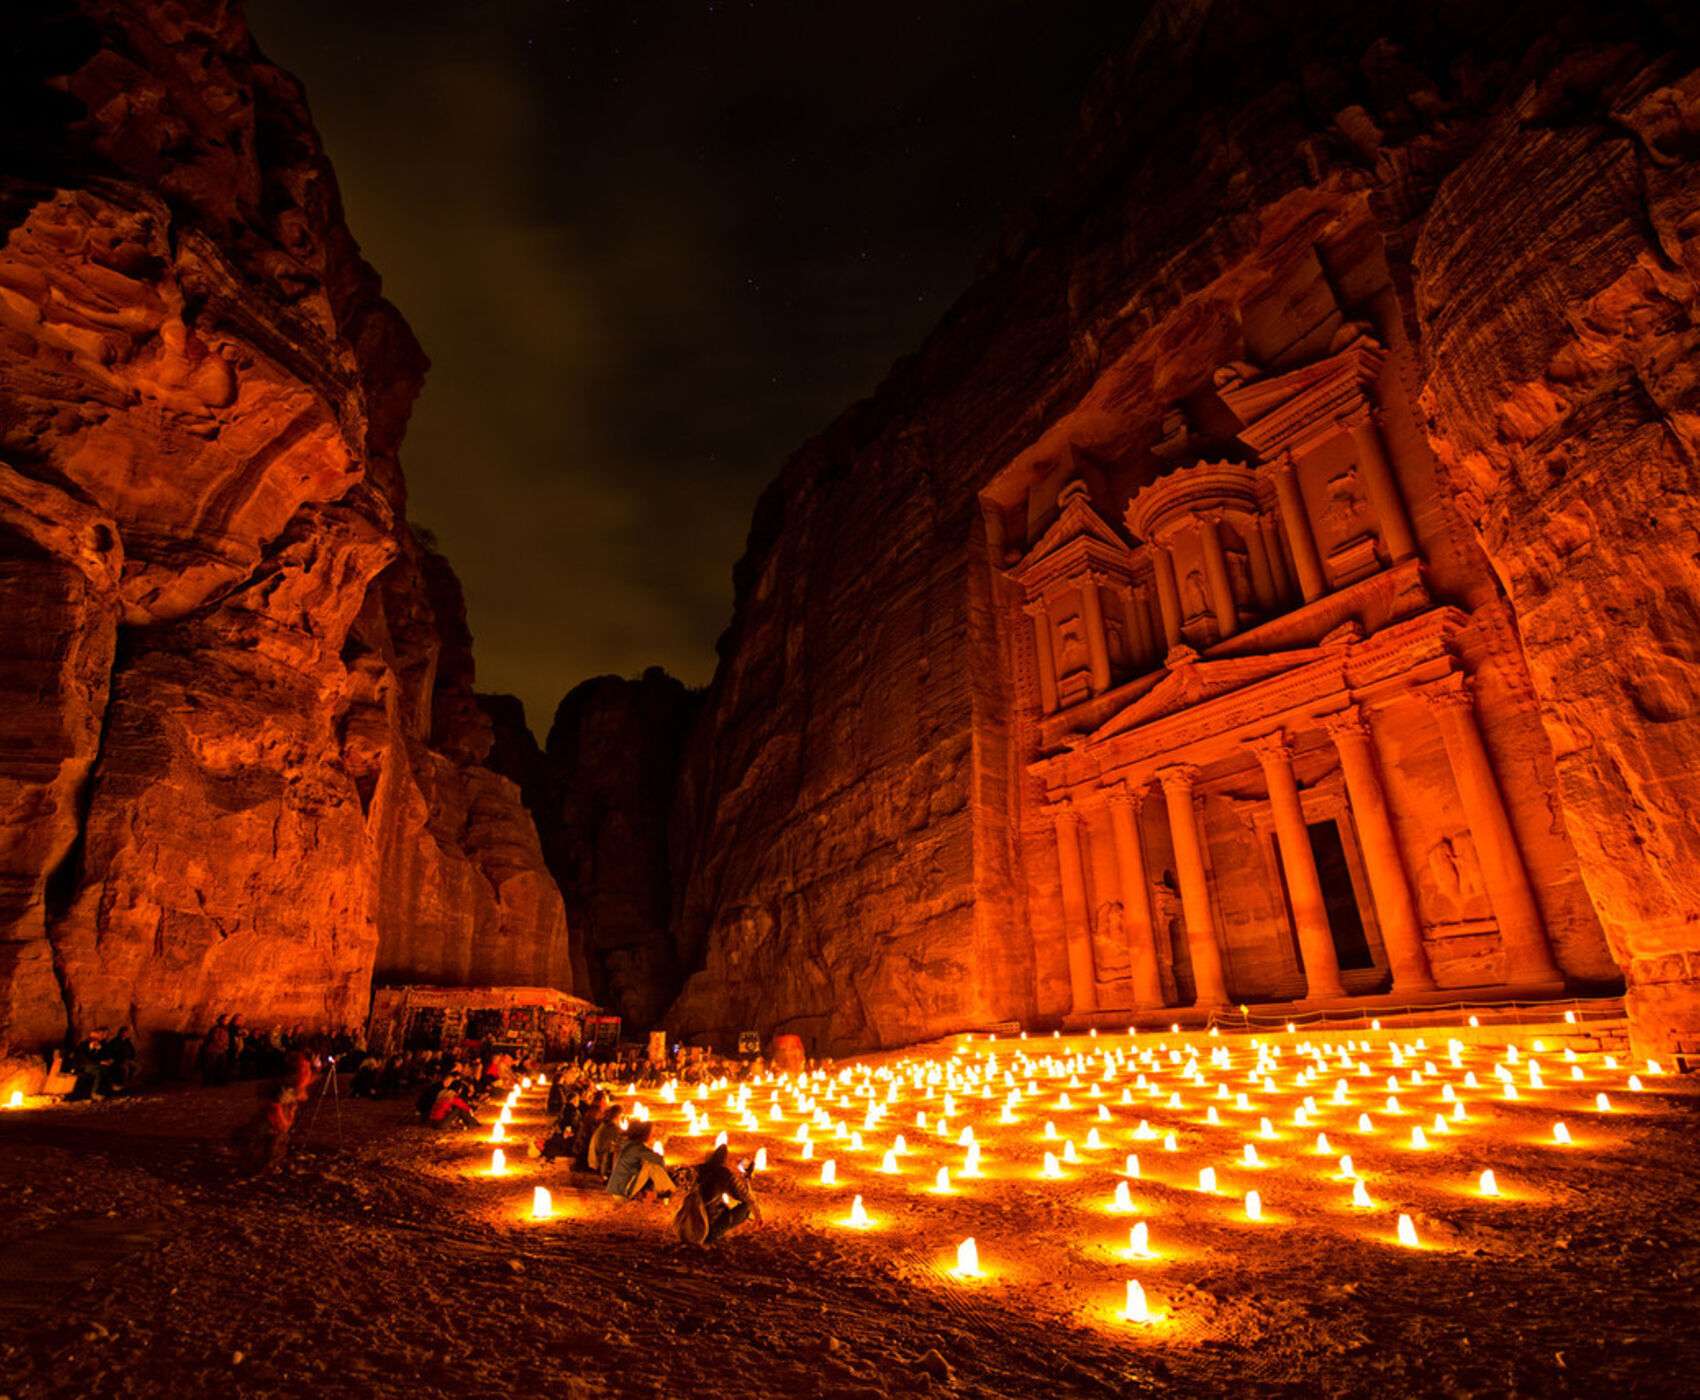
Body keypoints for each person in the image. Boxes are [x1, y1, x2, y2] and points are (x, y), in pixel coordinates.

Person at [694, 1144, 759, 1244]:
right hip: (708, 1231)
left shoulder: (698, 1169)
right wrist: (758, 1215)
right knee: (747, 1207)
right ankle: (719, 1229)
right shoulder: (722, 1173)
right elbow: (747, 1197)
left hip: (688, 1227)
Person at [605, 1122, 674, 1202]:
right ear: (644, 1134)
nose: (652, 1135)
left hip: (617, 1190)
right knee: (651, 1165)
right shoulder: (637, 1148)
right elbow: (658, 1159)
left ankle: (663, 1190)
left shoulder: (627, 1143)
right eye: (651, 1133)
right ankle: (669, 1191)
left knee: (646, 1165)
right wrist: (667, 1174)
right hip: (623, 1193)